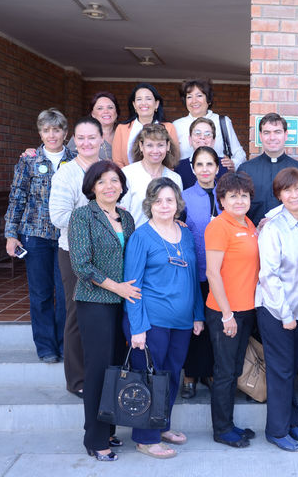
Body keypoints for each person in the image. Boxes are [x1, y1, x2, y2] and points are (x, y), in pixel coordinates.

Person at [124, 177, 205, 459]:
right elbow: (132, 285)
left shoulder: (185, 234)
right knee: (149, 379)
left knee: (170, 377)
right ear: (149, 204)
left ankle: (161, 425)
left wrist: (197, 314)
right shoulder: (141, 237)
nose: (164, 205)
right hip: (152, 322)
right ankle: (145, 439)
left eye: (169, 200)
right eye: (158, 201)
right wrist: (137, 327)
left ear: (178, 204)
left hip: (181, 322)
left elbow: (192, 277)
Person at [68, 160, 138, 462]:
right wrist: (117, 288)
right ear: (92, 187)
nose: (109, 186)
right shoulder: (82, 216)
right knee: (98, 370)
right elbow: (81, 265)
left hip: (124, 303)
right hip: (95, 302)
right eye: (102, 181)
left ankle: (108, 428)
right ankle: (95, 439)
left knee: (115, 367)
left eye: (114, 180)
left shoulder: (127, 217)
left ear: (121, 185)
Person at [255, 168, 298, 452]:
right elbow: (268, 275)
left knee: (292, 369)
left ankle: (291, 423)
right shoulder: (273, 227)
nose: (294, 195)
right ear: (279, 195)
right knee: (281, 370)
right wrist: (285, 314)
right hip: (276, 309)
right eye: (287, 190)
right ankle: (276, 430)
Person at [4, 108, 73, 363]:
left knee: (65, 294)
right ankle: (46, 347)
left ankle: (66, 344)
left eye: (56, 130)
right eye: (46, 130)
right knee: (41, 293)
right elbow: (17, 197)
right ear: (40, 133)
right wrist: (11, 234)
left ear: (65, 133)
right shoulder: (28, 161)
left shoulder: (75, 160)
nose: (51, 135)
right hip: (35, 235)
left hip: (67, 236)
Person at [50, 116, 105, 398]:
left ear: (101, 139)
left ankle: (102, 374)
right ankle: (77, 379)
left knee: (103, 316)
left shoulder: (109, 170)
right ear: (74, 141)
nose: (86, 143)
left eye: (92, 137)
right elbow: (58, 217)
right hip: (74, 253)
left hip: (107, 254)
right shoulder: (66, 174)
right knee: (77, 314)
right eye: (80, 138)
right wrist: (97, 218)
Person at [205, 172, 259, 448]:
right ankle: (222, 429)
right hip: (225, 312)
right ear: (222, 200)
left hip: (247, 309)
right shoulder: (219, 226)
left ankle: (230, 423)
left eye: (244, 195)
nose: (239, 201)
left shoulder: (249, 224)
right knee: (225, 372)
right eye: (233, 196)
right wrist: (227, 315)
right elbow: (212, 273)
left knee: (235, 369)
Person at [179, 146, 222, 399]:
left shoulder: (226, 195)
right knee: (193, 325)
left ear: (217, 167)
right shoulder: (183, 197)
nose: (205, 169)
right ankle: (190, 375)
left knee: (214, 324)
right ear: (193, 168)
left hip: (221, 273)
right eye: (200, 164)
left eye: (210, 164)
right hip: (192, 273)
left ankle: (210, 372)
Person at [238, 113, 298, 225]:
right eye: (267, 133)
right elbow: (237, 207)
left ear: (286, 135)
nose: (272, 137)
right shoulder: (245, 170)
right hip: (253, 233)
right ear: (260, 136)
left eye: (277, 132)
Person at [173, 79, 245, 170]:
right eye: (189, 97)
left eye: (199, 96)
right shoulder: (177, 125)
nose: (194, 101)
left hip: (218, 175)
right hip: (185, 176)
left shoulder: (222, 122)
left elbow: (240, 154)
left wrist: (233, 163)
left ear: (209, 99)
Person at [119, 123, 182, 227]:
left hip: (165, 235)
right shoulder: (127, 174)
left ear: (168, 146)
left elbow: (175, 215)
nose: (155, 151)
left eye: (160, 145)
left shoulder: (175, 178)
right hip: (134, 235)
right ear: (141, 146)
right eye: (149, 145)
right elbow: (122, 213)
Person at [112, 83, 179, 168]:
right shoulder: (122, 129)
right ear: (134, 105)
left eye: (148, 99)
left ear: (156, 104)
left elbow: (173, 159)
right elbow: (117, 161)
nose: (143, 103)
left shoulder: (169, 128)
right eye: (139, 99)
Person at [174, 117, 227, 189]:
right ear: (190, 139)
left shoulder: (224, 165)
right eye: (197, 133)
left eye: (207, 134)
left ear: (213, 141)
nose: (202, 137)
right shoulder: (179, 167)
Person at [67, 92, 120, 161]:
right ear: (93, 114)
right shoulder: (82, 135)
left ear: (116, 112)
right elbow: (69, 159)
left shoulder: (124, 135)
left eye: (110, 107)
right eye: (100, 108)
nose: (106, 111)